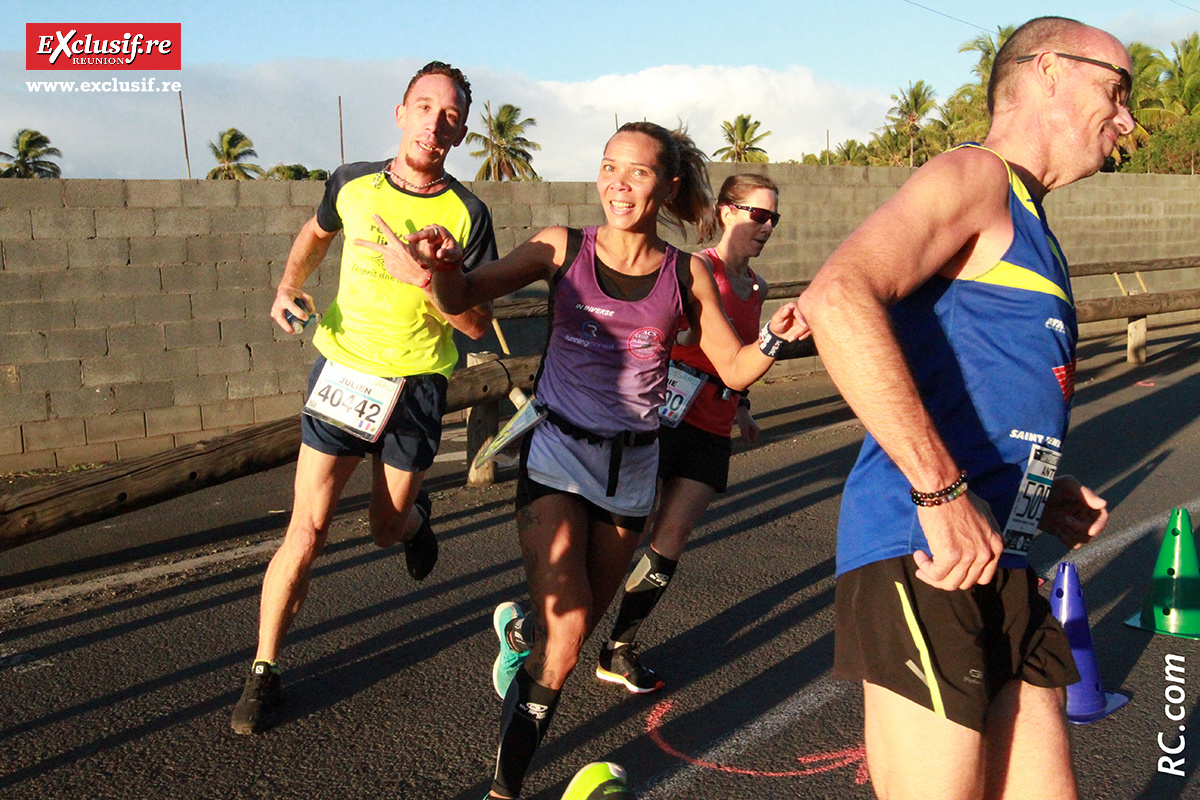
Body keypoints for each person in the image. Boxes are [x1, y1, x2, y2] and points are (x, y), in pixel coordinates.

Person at [361, 120, 807, 800]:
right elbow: (462, 299)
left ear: (668, 187)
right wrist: (441, 268)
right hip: (557, 457)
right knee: (568, 629)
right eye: (608, 168)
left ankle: (521, 640)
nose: (617, 184)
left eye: (637, 172)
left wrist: (774, 336)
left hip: (632, 473)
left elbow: (735, 370)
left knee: (563, 649)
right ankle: (503, 790)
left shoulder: (686, 274)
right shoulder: (559, 246)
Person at [797, 17, 1132, 800]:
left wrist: (1039, 487)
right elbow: (837, 299)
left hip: (1003, 553)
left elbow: (975, 379)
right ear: (1048, 70)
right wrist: (941, 489)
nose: (1125, 121)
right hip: (928, 549)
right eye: (1115, 92)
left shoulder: (1031, 221)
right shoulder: (974, 176)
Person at [229, 61, 496, 735]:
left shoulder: (468, 213)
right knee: (306, 530)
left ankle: (414, 522)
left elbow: (474, 324)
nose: (435, 122)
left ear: (459, 133)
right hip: (343, 375)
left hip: (416, 387)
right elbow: (316, 234)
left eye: (450, 116)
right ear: (401, 113)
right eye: (425, 106)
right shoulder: (351, 182)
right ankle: (264, 671)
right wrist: (287, 285)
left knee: (383, 529)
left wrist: (429, 276)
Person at [597, 174, 780, 693]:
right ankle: (538, 625)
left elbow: (741, 353)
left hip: (712, 427)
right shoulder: (699, 268)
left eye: (772, 218)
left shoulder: (759, 287)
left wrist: (742, 406)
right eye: (756, 214)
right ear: (726, 212)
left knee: (668, 543)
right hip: (663, 419)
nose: (764, 226)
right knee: (618, 538)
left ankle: (619, 648)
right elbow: (660, 329)